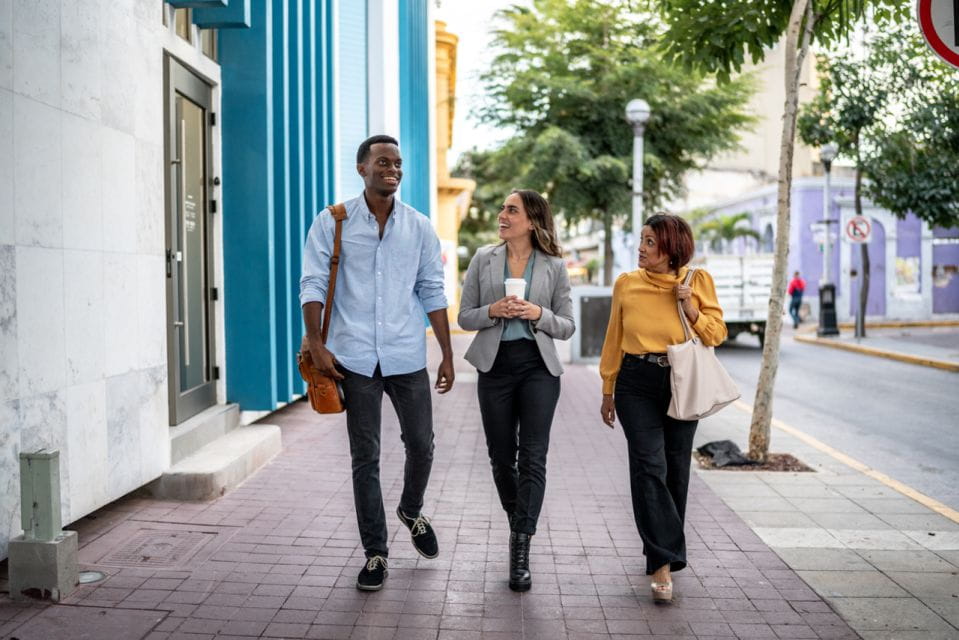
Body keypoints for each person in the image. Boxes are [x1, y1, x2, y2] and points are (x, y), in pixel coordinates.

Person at [300, 134, 455, 591]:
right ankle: (376, 553)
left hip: (406, 354)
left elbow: (432, 289)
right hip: (353, 358)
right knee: (364, 457)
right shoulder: (333, 221)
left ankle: (411, 509)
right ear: (362, 168)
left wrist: (447, 354)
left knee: (422, 445)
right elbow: (312, 282)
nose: (393, 170)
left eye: (398, 163)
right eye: (383, 162)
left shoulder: (419, 227)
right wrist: (316, 343)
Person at [598, 214, 726, 604]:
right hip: (635, 382)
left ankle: (662, 552)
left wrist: (690, 309)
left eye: (650, 242)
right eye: (642, 239)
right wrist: (608, 388)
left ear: (672, 249)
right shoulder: (627, 283)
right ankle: (662, 564)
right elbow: (614, 336)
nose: (641, 247)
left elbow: (717, 334)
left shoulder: (697, 282)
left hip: (681, 380)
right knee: (649, 467)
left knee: (675, 471)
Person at [458, 190, 575, 592]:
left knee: (533, 456)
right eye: (503, 209)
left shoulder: (554, 266)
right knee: (500, 456)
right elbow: (465, 316)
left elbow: (567, 325)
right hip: (495, 367)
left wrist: (537, 313)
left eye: (512, 210)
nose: (502, 215)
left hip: (538, 368)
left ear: (532, 220)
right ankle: (519, 521)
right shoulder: (483, 258)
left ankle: (520, 544)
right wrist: (493, 310)